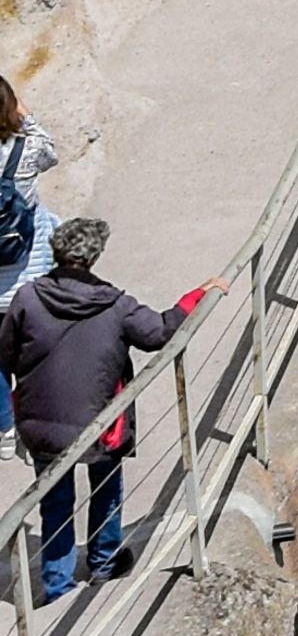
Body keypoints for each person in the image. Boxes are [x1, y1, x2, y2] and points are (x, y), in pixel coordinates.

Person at [1, 215, 203, 595]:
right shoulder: (116, 305)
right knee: (106, 486)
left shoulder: (27, 298)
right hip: (101, 423)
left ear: (56, 251)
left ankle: (57, 583)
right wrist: (195, 298)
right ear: (94, 257)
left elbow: (6, 356)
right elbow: (160, 332)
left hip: (40, 424)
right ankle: (104, 560)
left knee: (55, 500)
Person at [0, 78, 53, 298]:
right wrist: (26, 116)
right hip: (32, 284)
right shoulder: (29, 147)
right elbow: (50, 156)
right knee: (50, 221)